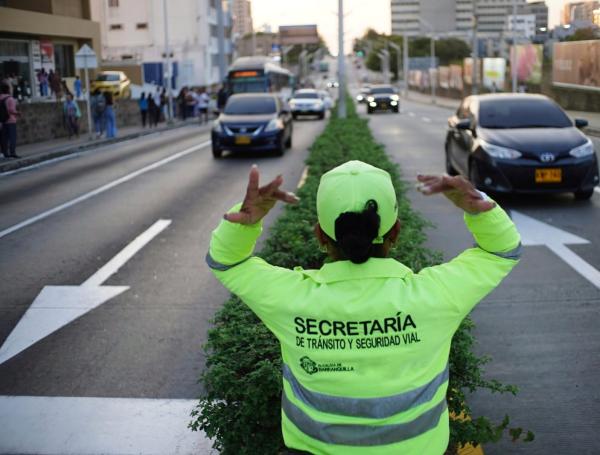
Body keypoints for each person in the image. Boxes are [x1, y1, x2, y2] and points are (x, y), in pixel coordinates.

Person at [206, 161, 521, 454]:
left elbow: (227, 261)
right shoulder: (435, 295)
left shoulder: (293, 299)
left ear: (321, 235)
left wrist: (245, 222)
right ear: (394, 231)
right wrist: (479, 209)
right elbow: (501, 251)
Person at [0, 82, 21, 159]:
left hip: (2, 121)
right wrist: (18, 113)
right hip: (10, 120)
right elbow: (11, 110)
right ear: (8, 89)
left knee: (4, 138)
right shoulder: (10, 99)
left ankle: (5, 152)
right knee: (12, 137)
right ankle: (12, 152)